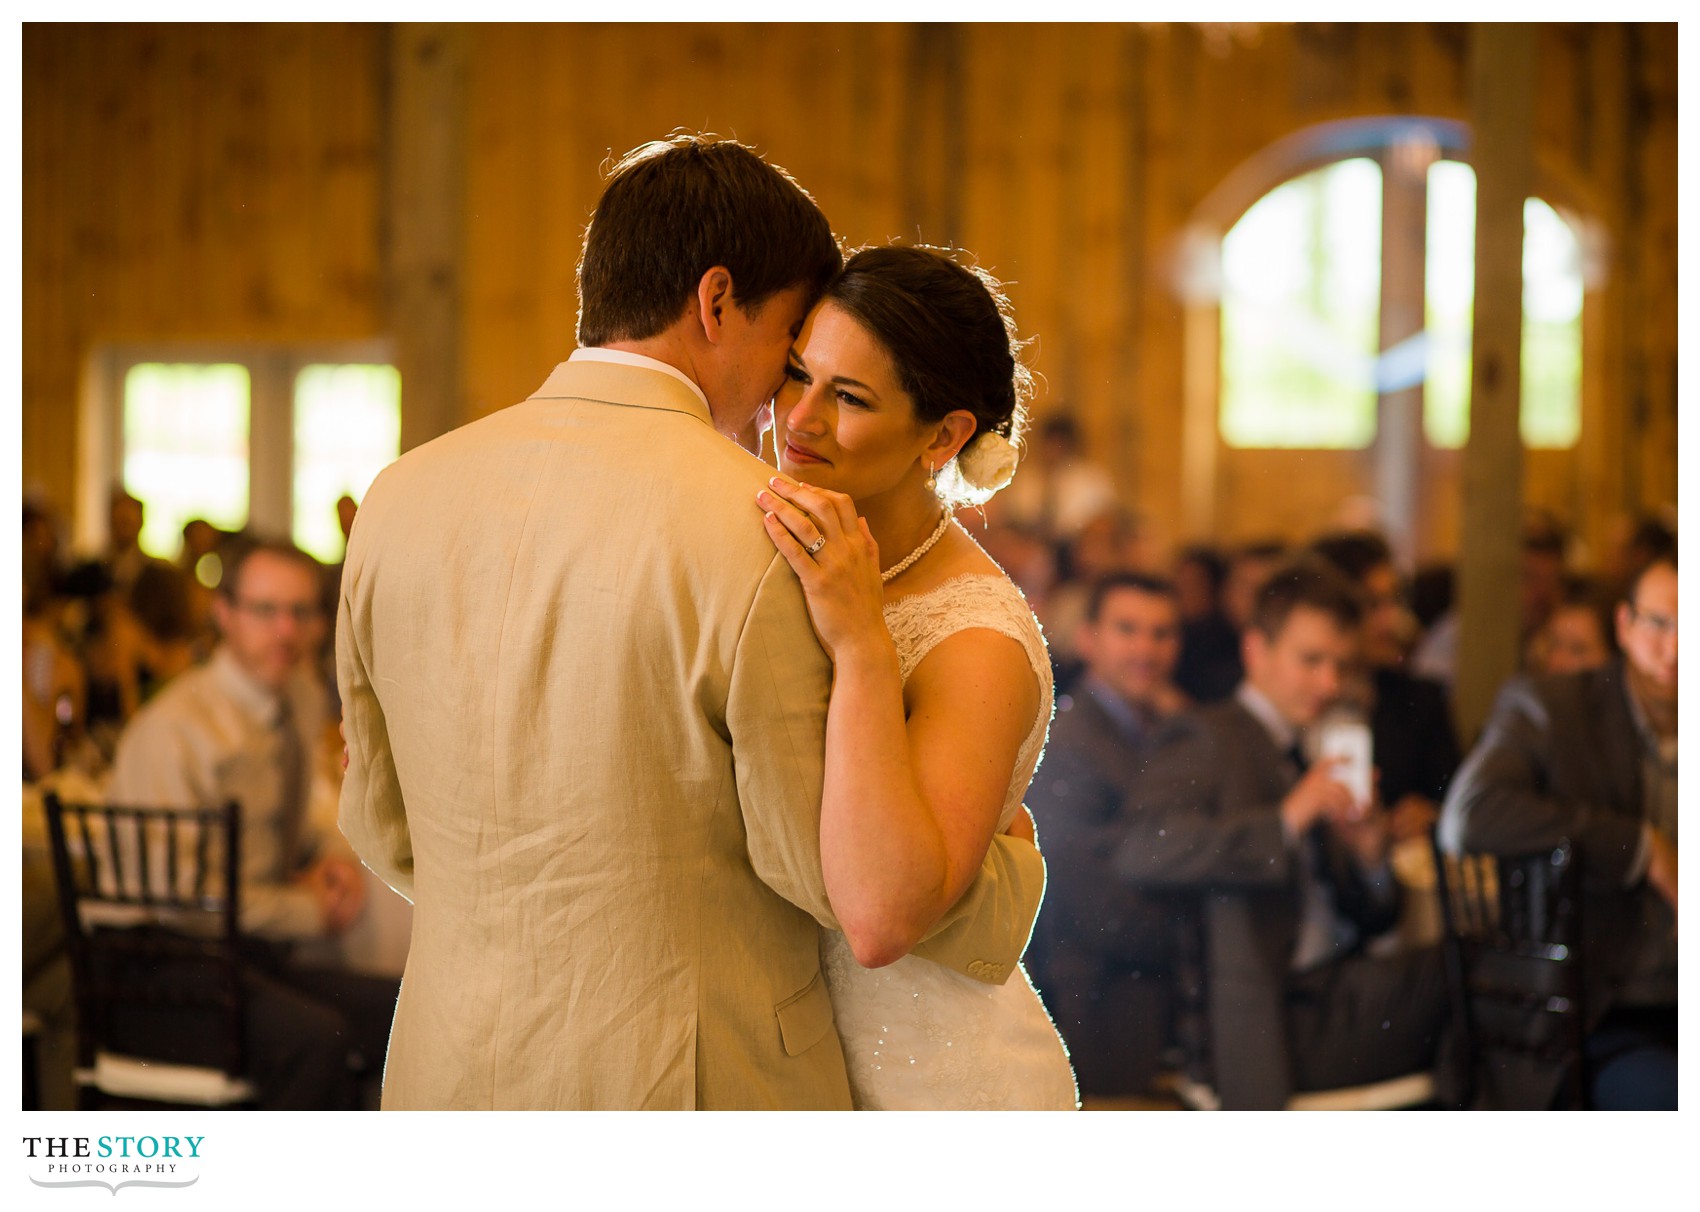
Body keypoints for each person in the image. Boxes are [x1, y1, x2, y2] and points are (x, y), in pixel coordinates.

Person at [337, 137, 1045, 1110]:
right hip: (689, 1080)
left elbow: (380, 828)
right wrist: (1007, 877)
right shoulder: (762, 529)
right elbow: (837, 884)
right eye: (791, 354)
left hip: (446, 1070)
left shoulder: (395, 497)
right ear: (717, 304)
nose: (787, 411)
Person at [757, 243, 1076, 1109]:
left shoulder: (975, 638)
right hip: (785, 1067)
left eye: (849, 397)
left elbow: (883, 918)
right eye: (796, 375)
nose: (801, 418)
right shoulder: (770, 545)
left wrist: (864, 647)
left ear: (943, 435)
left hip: (936, 1084)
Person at [1113, 558, 1448, 1109]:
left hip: (1333, 987)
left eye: (1340, 665)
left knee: (1472, 980)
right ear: (1256, 651)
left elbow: (1370, 915)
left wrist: (1368, 856)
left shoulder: (1308, 745)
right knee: (1469, 977)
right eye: (1311, 660)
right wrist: (1288, 818)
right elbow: (1142, 847)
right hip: (1271, 1018)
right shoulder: (1208, 734)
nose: (1329, 683)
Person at [104, 539, 397, 1109]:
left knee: (398, 1010)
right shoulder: (177, 731)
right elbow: (181, 898)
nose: (285, 631)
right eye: (265, 611)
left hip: (242, 955)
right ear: (224, 614)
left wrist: (335, 856)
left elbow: (291, 815)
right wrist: (308, 910)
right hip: (154, 967)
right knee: (317, 1040)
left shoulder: (299, 697)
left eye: (301, 612)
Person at [1440, 555, 1677, 1109]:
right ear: (1623, 625)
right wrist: (1641, 848)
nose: (1675, 650)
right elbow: (1469, 815)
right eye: (1659, 624)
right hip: (1593, 1018)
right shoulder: (1553, 707)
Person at [1023, 572, 1186, 1098]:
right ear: (1088, 637)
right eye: (1128, 629)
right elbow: (1090, 905)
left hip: (1140, 997)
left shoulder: (1158, 728)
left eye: (1162, 633)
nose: (1146, 648)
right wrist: (1205, 925)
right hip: (1098, 1004)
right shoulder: (1069, 743)